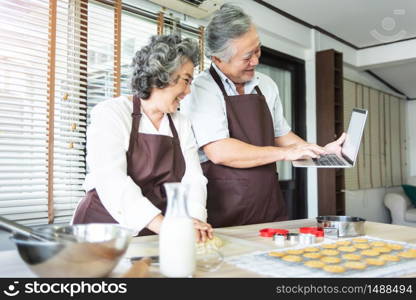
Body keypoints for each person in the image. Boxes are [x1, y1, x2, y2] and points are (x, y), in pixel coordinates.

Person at [181, 4, 345, 228]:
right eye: (247, 57)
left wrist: (323, 153)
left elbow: (283, 135)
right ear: (218, 59)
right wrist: (286, 154)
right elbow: (219, 151)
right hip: (224, 209)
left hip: (268, 205)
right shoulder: (202, 89)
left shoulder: (266, 85)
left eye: (258, 50)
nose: (256, 61)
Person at [73, 35, 213, 242]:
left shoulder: (181, 123)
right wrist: (165, 226)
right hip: (101, 230)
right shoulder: (111, 113)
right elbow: (112, 180)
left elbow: (194, 180)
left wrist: (193, 220)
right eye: (186, 80)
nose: (188, 91)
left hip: (154, 230)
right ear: (161, 76)